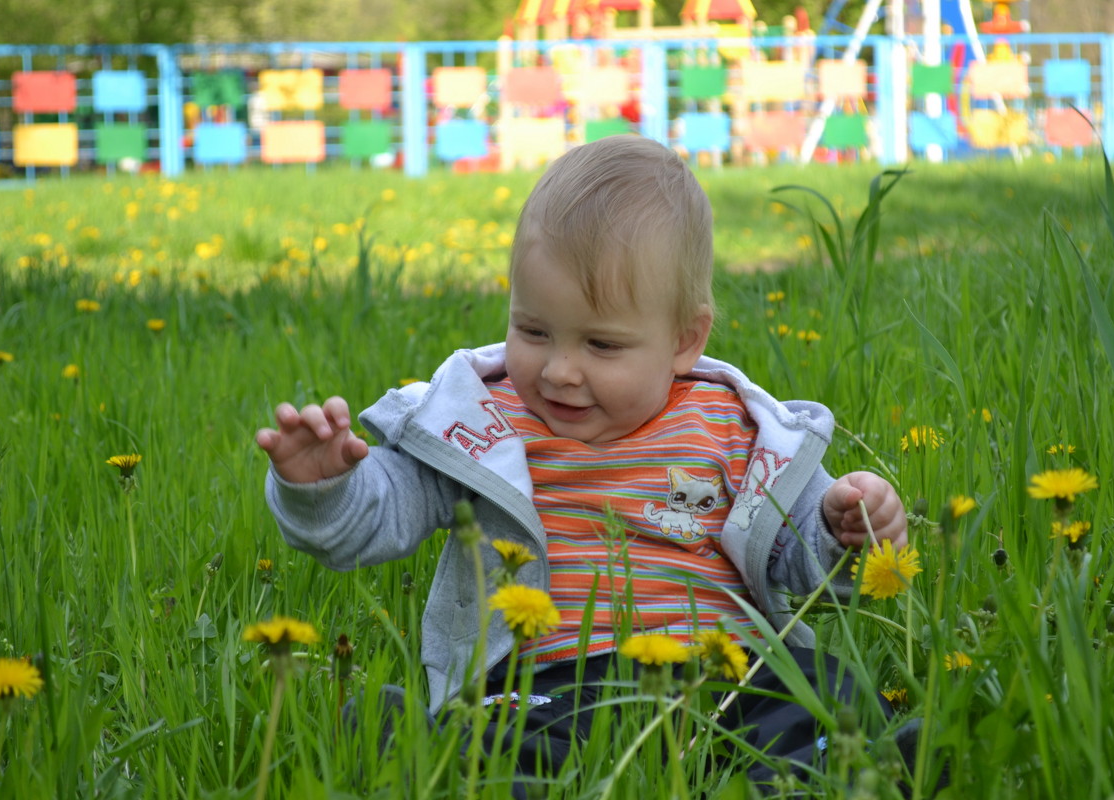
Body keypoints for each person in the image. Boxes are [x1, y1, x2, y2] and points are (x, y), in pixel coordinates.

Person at [256, 135, 908, 791]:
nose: (561, 370)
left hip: (729, 674)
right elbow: (379, 514)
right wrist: (325, 487)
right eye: (533, 331)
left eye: (601, 343)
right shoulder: (483, 421)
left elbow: (805, 561)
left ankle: (875, 765)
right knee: (511, 743)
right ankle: (429, 746)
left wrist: (842, 528)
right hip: (553, 682)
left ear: (685, 339)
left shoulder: (735, 427)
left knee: (825, 697)